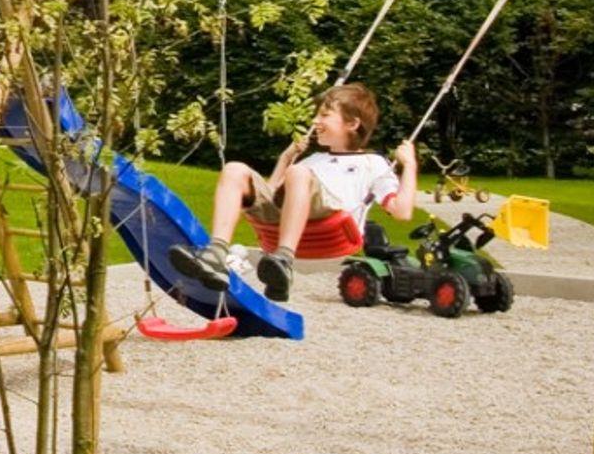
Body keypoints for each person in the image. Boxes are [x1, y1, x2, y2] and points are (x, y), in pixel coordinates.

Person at [169, 82, 418, 302]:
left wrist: (409, 165)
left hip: (334, 224)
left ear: (352, 124)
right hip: (288, 218)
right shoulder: (312, 161)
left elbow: (402, 211)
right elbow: (271, 194)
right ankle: (216, 252)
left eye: (325, 115)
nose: (315, 122)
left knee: (298, 173)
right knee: (234, 169)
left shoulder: (373, 163)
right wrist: (286, 158)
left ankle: (284, 259)